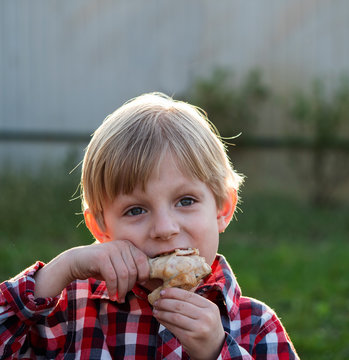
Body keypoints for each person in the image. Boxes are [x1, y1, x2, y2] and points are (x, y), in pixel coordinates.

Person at [0, 93, 299, 359]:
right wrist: (61, 269)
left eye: (185, 201)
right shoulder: (66, 313)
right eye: (136, 210)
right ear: (100, 227)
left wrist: (217, 351)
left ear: (223, 208)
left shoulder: (257, 327)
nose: (164, 228)